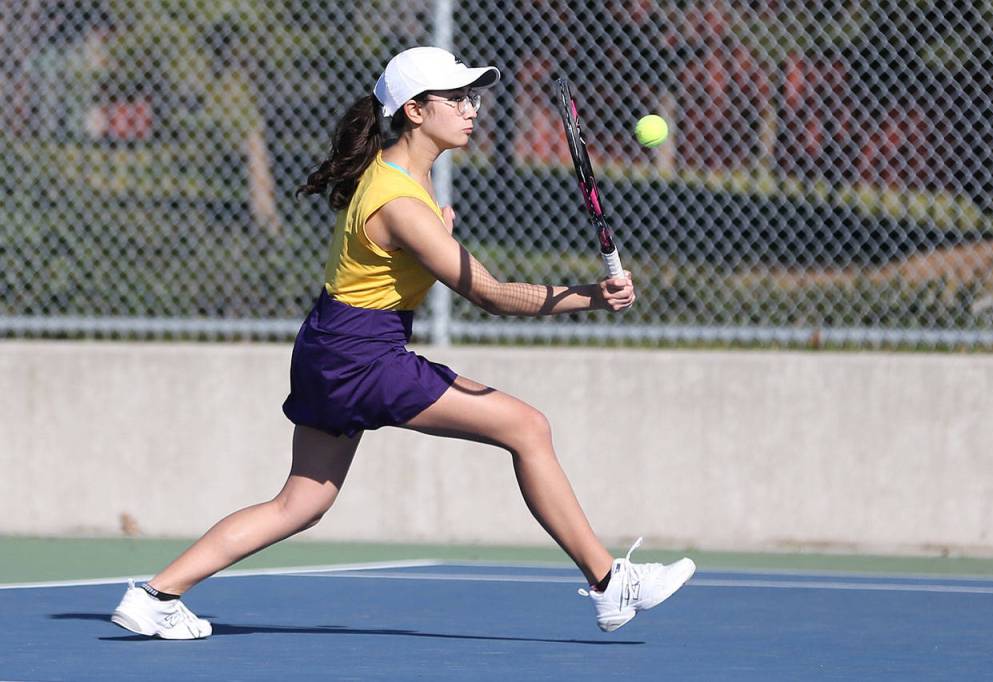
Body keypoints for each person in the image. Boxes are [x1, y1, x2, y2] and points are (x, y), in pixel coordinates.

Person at [110, 46, 695, 640]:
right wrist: (593, 296)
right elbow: (489, 294)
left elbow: (400, 249)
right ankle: (607, 583)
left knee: (301, 504)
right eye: (456, 98)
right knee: (528, 427)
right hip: (366, 353)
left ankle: (157, 594)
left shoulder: (402, 171)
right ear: (415, 111)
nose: (471, 109)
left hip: (326, 342)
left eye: (472, 97)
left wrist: (434, 231)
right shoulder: (401, 202)